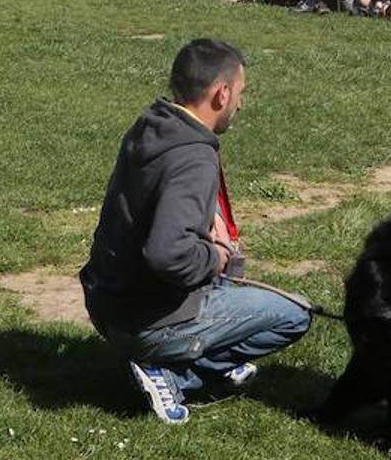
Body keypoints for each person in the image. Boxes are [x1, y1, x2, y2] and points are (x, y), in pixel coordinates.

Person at [79, 39, 312, 424]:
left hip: (106, 299)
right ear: (221, 94)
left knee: (233, 288)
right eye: (240, 93)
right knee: (295, 313)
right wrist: (217, 255)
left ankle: (196, 355)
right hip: (143, 320)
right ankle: (173, 372)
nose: (240, 103)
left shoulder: (154, 124)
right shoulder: (193, 157)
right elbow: (167, 253)